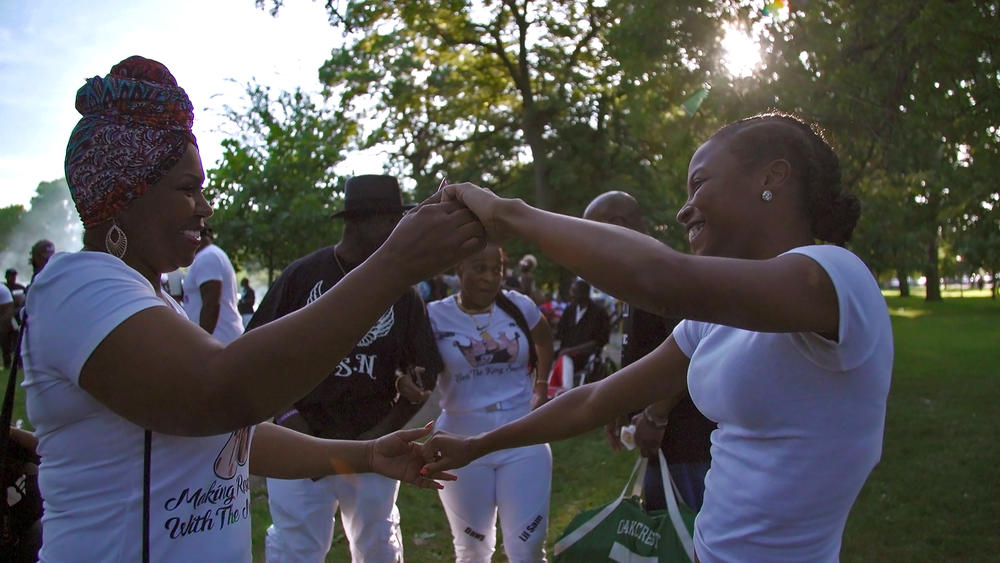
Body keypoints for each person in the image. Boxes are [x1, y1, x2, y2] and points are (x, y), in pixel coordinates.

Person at [22, 55, 482, 562]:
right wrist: (394, 264)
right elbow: (221, 394)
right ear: (123, 197)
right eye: (187, 188)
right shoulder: (75, 285)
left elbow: (233, 436)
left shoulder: (154, 303)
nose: (206, 206)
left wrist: (366, 455)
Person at [422, 111, 893, 562]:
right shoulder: (717, 318)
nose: (685, 209)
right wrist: (478, 445)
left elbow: (660, 280)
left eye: (699, 184)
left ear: (772, 178)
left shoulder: (838, 276)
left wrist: (508, 215)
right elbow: (595, 400)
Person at [249, 174, 447, 563]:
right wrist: (288, 419)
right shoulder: (303, 277)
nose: (396, 231)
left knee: (378, 546)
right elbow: (255, 355)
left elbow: (425, 371)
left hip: (372, 440)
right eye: (389, 221)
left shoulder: (402, 292)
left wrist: (379, 437)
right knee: (297, 548)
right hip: (302, 440)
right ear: (357, 221)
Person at [584, 190, 715, 511]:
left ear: (616, 225)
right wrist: (620, 404)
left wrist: (655, 417)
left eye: (589, 234)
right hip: (661, 442)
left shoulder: (660, 274)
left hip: (686, 443)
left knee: (684, 539)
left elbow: (691, 354)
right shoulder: (634, 276)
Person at [426, 243, 554, 562]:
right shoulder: (434, 315)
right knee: (473, 548)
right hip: (460, 442)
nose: (489, 278)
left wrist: (541, 385)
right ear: (458, 270)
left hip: (524, 438)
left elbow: (544, 339)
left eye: (496, 269)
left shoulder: (518, 306)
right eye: (478, 268)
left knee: (526, 549)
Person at [182, 225, 244, 344]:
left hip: (218, 341)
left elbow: (211, 304)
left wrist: (200, 342)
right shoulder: (207, 255)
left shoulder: (208, 257)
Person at [549, 278, 610, 392]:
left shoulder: (599, 313)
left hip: (585, 357)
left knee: (564, 358)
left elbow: (599, 341)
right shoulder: (570, 310)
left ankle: (566, 392)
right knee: (554, 358)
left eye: (573, 291)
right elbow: (560, 333)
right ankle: (552, 390)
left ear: (583, 294)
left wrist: (571, 350)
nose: (570, 294)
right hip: (565, 352)